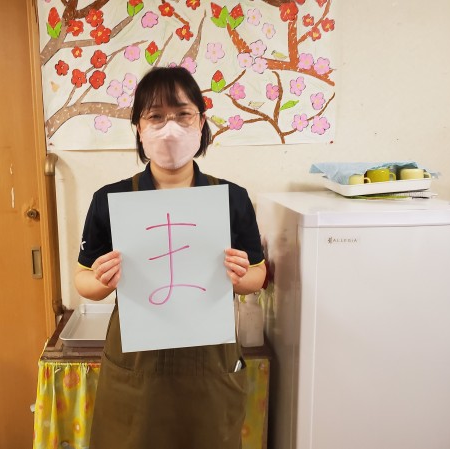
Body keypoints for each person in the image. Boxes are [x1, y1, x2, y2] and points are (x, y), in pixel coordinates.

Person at [74, 66, 266, 449]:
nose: (170, 128)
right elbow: (83, 281)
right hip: (137, 367)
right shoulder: (111, 200)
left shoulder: (231, 198)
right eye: (156, 117)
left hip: (210, 363)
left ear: (201, 122)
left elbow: (257, 275)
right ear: (139, 128)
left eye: (182, 114)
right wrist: (101, 279)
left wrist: (240, 276)